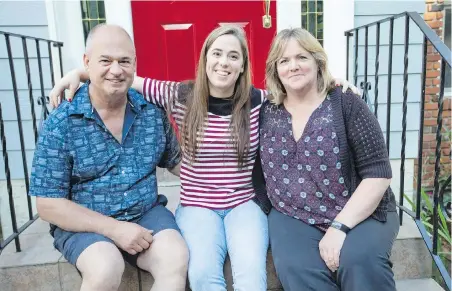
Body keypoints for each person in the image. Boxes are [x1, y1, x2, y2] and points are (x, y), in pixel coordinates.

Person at [48, 25, 358, 291]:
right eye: (217, 54)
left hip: (242, 205)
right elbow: (125, 76)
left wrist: (331, 83)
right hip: (197, 207)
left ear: (242, 66)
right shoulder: (179, 95)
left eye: (233, 56)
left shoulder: (259, 101)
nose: (224, 62)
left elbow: (298, 87)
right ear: (205, 59)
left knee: (251, 276)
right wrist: (79, 73)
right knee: (202, 275)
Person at [29, 24, 188, 291]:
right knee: (105, 268)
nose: (116, 70)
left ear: (135, 64)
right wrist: (115, 229)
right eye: (106, 61)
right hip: (85, 222)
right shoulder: (62, 121)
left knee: (175, 257)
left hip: (145, 213)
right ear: (87, 63)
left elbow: (177, 163)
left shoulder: (151, 112)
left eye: (124, 61)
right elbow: (48, 204)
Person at [255, 27, 399, 291]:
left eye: (302, 57)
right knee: (297, 268)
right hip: (293, 212)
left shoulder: (345, 102)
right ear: (275, 70)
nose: (293, 66)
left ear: (317, 61)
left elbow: (378, 173)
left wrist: (339, 227)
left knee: (360, 261)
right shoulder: (265, 109)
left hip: (359, 209)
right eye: (283, 61)